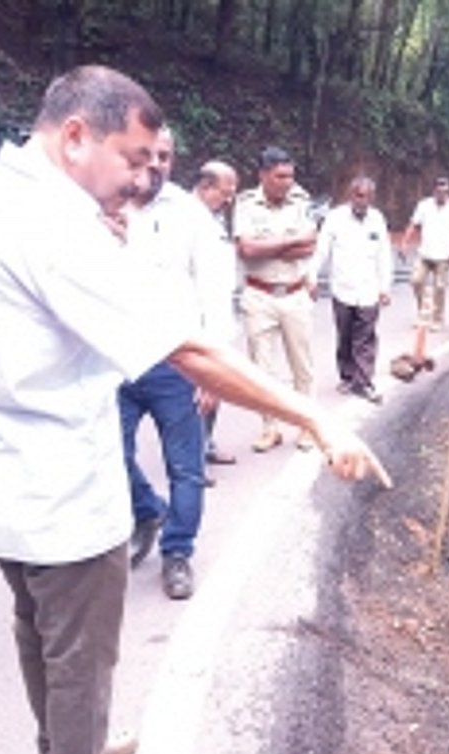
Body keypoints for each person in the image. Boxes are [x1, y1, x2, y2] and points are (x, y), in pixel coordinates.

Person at [0, 65, 388, 754]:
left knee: (35, 625)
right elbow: (188, 349)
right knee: (82, 653)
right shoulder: (56, 228)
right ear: (77, 136)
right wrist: (314, 416)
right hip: (59, 486)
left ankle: (61, 748)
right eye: (133, 158)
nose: (143, 178)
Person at [118, 128, 233, 600]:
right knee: (108, 454)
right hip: (117, 362)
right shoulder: (102, 205)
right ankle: (147, 509)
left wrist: (213, 372)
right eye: (145, 153)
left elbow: (215, 295)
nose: (155, 163)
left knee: (186, 469)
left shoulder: (191, 216)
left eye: (164, 156)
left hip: (178, 365)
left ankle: (177, 553)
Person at [233, 146, 318, 453]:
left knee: (302, 367)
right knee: (262, 370)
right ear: (263, 175)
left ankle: (307, 427)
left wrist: (268, 245)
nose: (287, 183)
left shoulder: (302, 201)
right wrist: (291, 242)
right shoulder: (246, 203)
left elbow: (310, 246)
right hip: (259, 295)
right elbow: (247, 250)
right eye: (280, 177)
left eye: (290, 176)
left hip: (295, 294)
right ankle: (270, 428)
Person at [309, 176, 393, 404]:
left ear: (372, 198)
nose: (362, 201)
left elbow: (384, 255)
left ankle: (363, 382)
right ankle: (347, 376)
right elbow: (321, 250)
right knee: (345, 336)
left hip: (369, 290)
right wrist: (312, 277)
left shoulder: (377, 219)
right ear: (350, 195)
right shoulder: (335, 218)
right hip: (342, 289)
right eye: (358, 196)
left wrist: (385, 287)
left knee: (365, 338)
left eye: (366, 197)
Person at [192, 160, 241, 471]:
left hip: (219, 317)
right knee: (197, 393)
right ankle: (193, 459)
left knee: (216, 387)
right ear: (206, 186)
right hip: (197, 323)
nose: (230, 199)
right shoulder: (184, 218)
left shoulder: (215, 217)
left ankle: (207, 444)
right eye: (225, 192)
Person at [402, 176, 449, 331]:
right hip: (425, 253)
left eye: (445, 191)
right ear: (434, 191)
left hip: (444, 255)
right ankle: (423, 312)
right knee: (416, 280)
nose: (442, 194)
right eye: (439, 191)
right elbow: (413, 224)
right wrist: (405, 243)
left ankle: (437, 318)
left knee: (440, 288)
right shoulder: (424, 205)